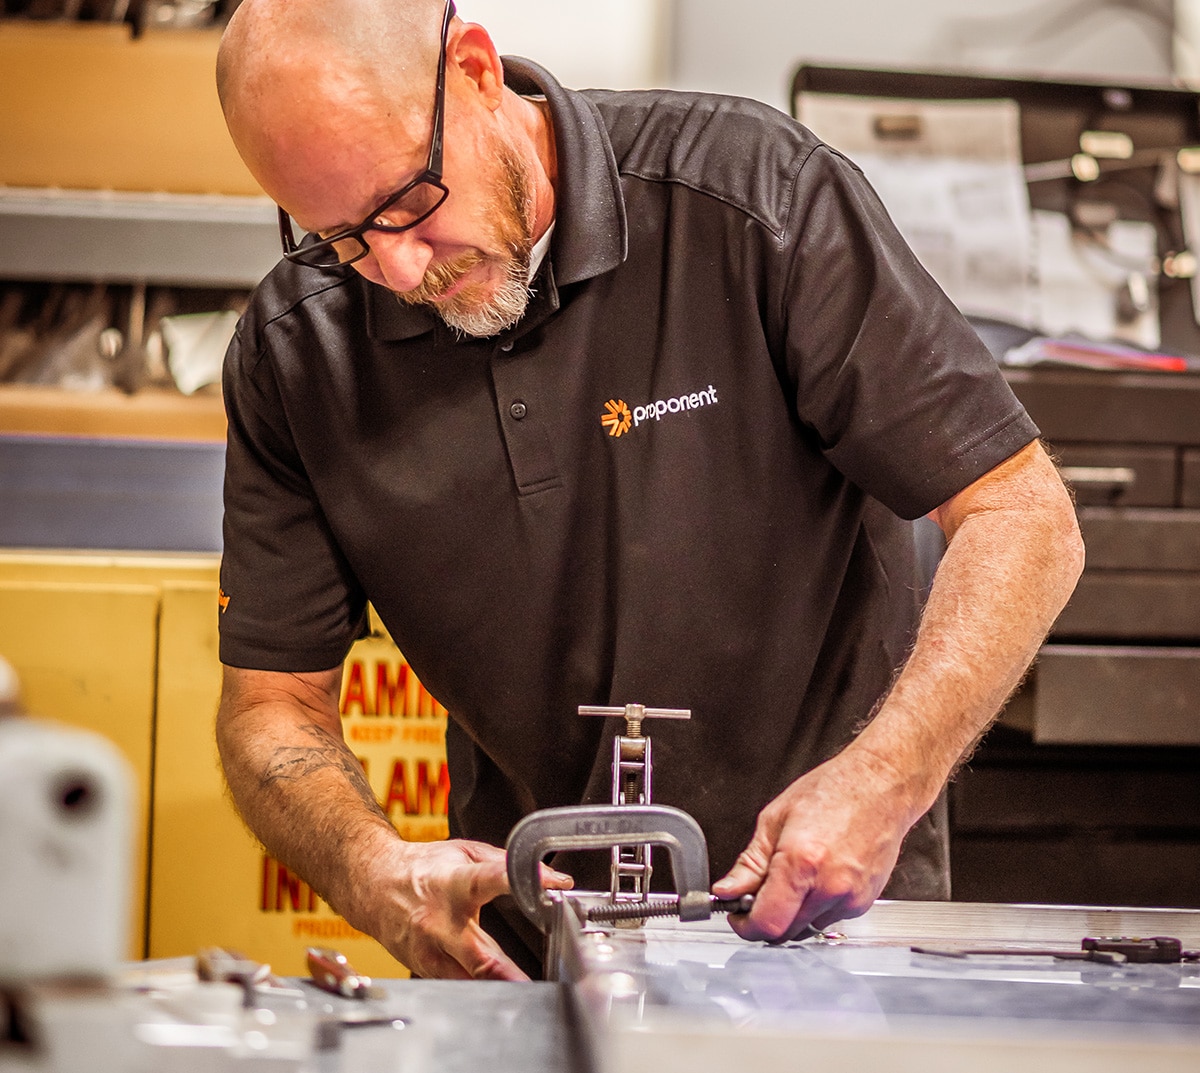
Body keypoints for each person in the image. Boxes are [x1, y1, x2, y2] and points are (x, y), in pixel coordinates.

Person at [213, 0, 1084, 982]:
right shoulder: (299, 349)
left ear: (475, 67)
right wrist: (377, 871)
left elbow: (1023, 516)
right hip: (531, 965)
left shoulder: (755, 200)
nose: (399, 267)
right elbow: (270, 707)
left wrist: (885, 778)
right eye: (341, 237)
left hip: (830, 929)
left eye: (409, 202)